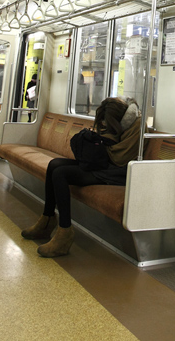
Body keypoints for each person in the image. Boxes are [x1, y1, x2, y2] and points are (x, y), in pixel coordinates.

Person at [20, 97, 141, 258]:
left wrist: (104, 142)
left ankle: (65, 232)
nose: (104, 125)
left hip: (116, 173)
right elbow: (110, 148)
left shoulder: (138, 127)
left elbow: (120, 157)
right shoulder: (121, 124)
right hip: (104, 166)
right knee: (54, 164)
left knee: (61, 173)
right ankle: (47, 221)